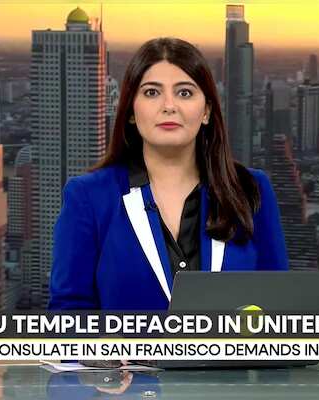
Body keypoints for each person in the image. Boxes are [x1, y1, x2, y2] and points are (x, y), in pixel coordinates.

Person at [49, 37, 288, 310]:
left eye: (184, 93)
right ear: (130, 110)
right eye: (152, 92)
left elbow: (279, 307)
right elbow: (67, 313)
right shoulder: (89, 197)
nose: (169, 106)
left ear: (207, 111)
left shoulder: (250, 189)